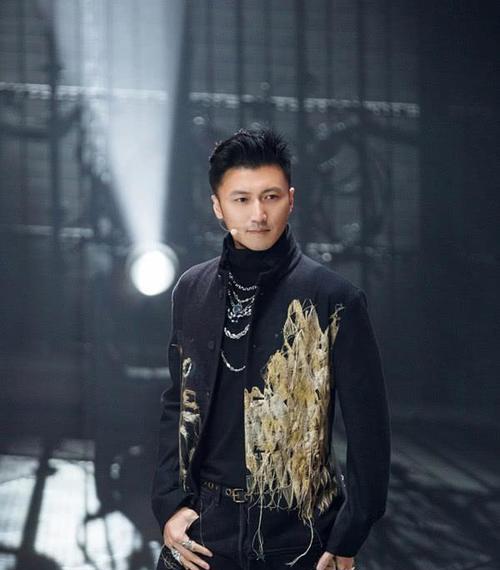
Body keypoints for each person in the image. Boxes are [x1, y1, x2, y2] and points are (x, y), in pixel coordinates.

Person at [151, 128, 391, 570]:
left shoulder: (335, 299)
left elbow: (369, 429)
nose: (258, 214)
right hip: (203, 528)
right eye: (241, 199)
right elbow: (177, 402)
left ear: (291, 200)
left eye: (271, 197)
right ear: (218, 207)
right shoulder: (191, 289)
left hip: (300, 534)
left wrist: (349, 534)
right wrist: (170, 503)